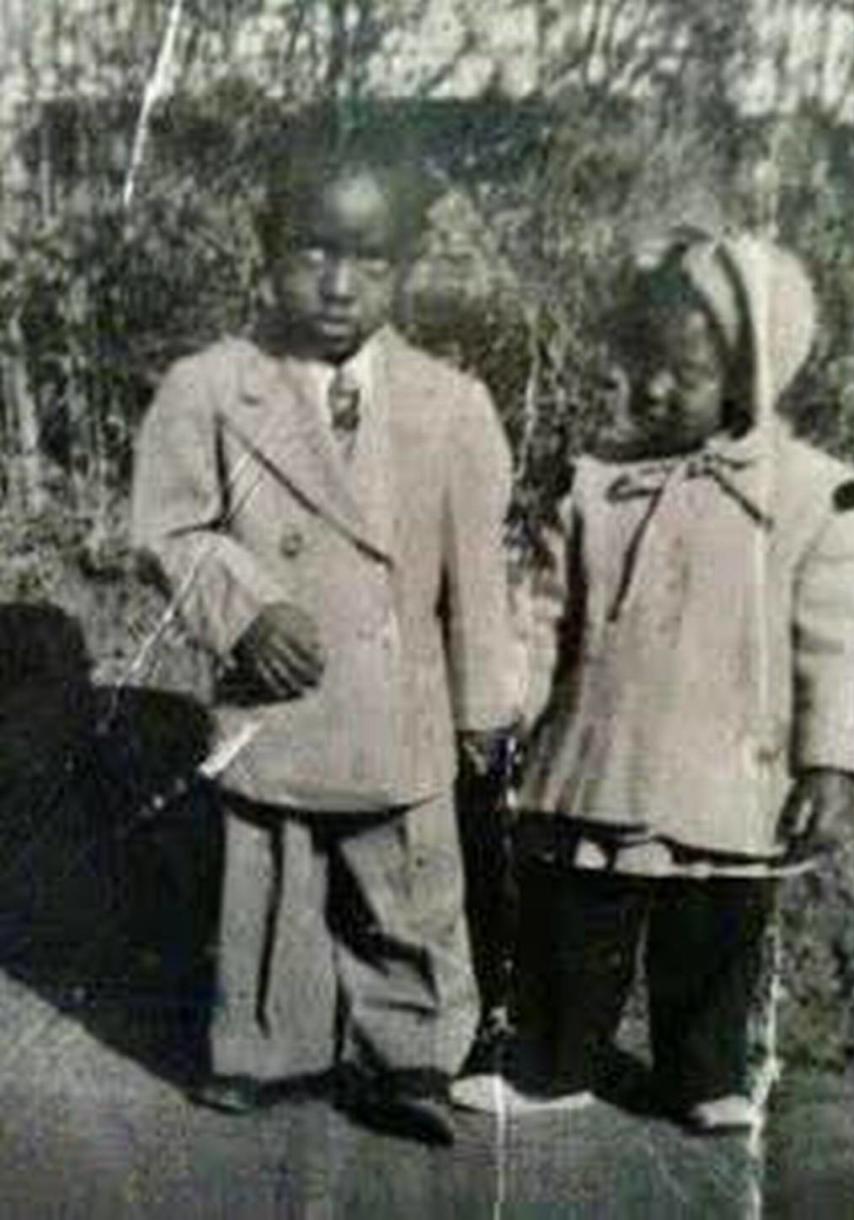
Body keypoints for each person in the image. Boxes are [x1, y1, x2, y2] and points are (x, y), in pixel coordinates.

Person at [452, 229, 854, 1135]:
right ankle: (552, 1058)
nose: (651, 386)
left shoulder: (819, 499)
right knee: (574, 915)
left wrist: (831, 764)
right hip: (597, 755)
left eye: (681, 373)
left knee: (717, 925)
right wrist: (502, 703)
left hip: (731, 771)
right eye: (643, 360)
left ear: (751, 381)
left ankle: (704, 1073)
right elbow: (541, 613)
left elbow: (840, 643)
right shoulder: (598, 486)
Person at [131, 127, 519, 1144]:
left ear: (405, 266)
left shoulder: (452, 404)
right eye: (312, 251)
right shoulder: (209, 388)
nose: (340, 283)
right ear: (265, 251)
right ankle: (263, 1043)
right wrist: (247, 607)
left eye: (372, 258)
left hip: (400, 698)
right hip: (280, 692)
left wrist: (486, 704)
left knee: (412, 885)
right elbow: (167, 529)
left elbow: (478, 575)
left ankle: (415, 1056)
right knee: (270, 874)